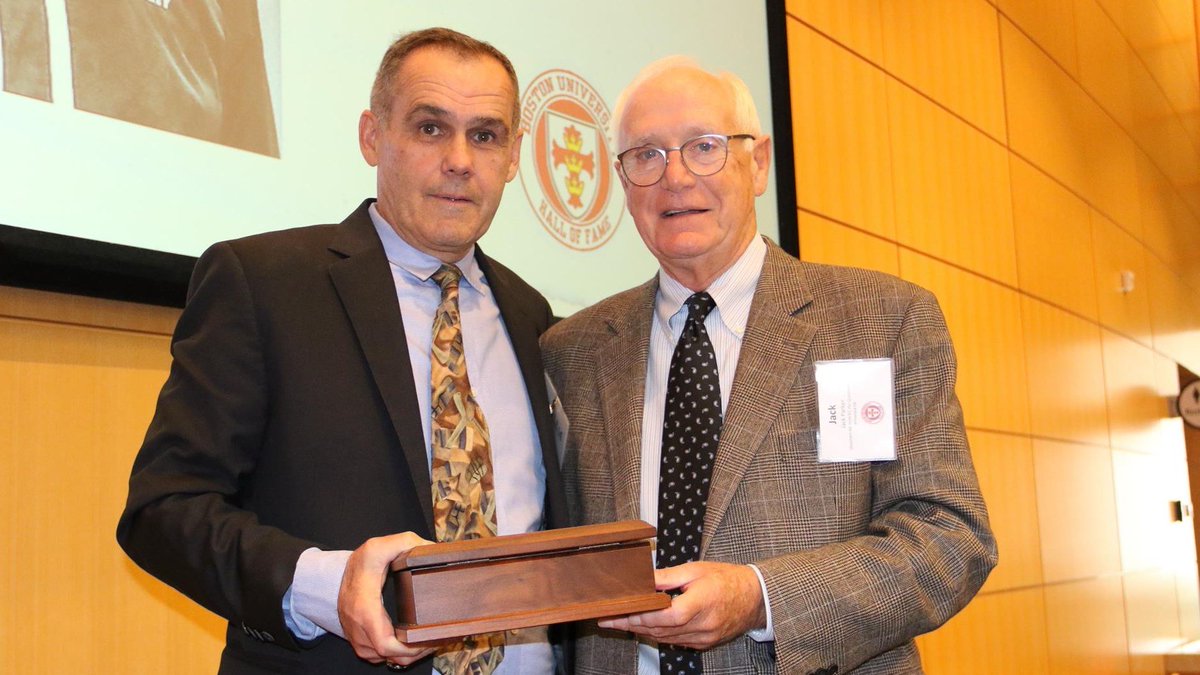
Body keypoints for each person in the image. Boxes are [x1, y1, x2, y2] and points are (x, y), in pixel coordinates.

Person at [117, 28, 568, 675]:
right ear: (372, 135)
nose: (461, 160)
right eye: (431, 128)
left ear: (515, 155)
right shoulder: (263, 283)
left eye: (486, 135)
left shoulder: (533, 317)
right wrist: (323, 586)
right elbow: (163, 508)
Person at [541, 57, 997, 675]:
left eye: (703, 147)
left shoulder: (881, 319)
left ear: (757, 163)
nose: (674, 178)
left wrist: (762, 598)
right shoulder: (573, 350)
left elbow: (949, 539)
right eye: (646, 155)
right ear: (623, 180)